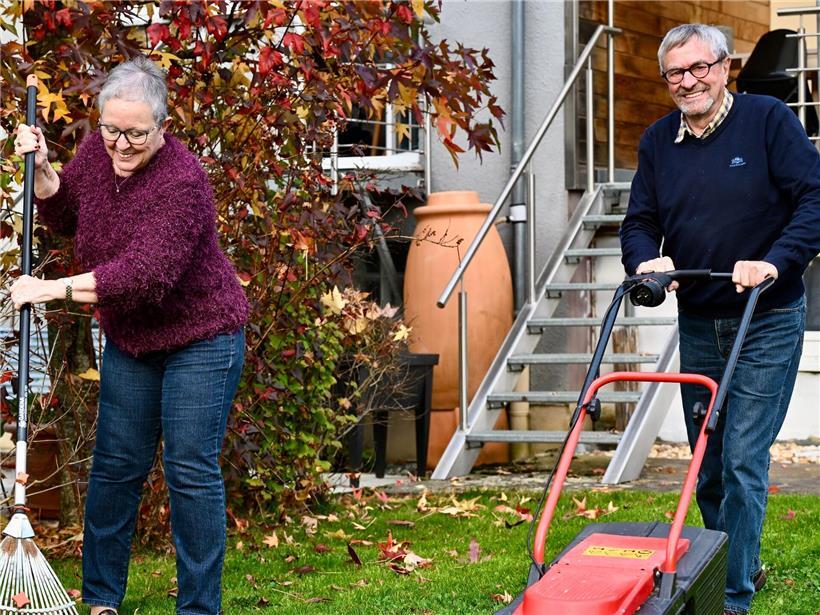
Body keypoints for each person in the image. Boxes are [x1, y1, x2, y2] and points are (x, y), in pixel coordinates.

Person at [11, 56, 249, 615]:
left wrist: (50, 289)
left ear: (162, 128)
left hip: (201, 338)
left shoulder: (183, 182)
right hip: (133, 342)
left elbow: (143, 276)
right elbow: (67, 213)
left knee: (189, 470)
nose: (121, 144)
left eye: (136, 134)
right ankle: (101, 600)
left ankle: (198, 608)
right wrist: (43, 172)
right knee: (116, 466)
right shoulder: (100, 153)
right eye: (112, 130)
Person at [620, 24, 820, 614]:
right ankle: (732, 562)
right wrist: (646, 261)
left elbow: (815, 198)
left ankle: (732, 597)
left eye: (699, 68)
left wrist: (775, 262)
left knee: (740, 458)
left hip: (767, 317)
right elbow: (639, 221)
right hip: (700, 320)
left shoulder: (768, 120)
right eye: (675, 73)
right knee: (707, 465)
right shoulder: (659, 142)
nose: (688, 82)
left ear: (725, 67)